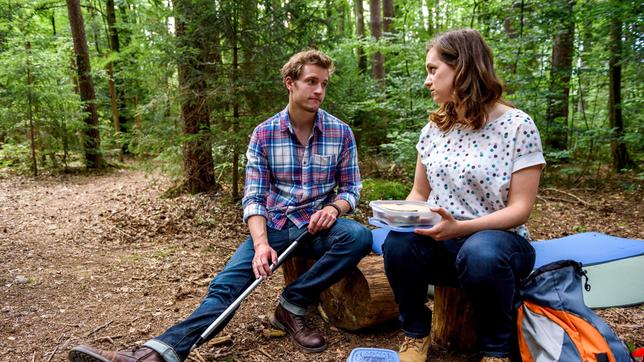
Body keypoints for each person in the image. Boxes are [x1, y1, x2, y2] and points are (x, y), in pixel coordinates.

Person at [68, 50, 373, 362]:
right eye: (311, 82)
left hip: (317, 229)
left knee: (359, 237)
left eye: (324, 83)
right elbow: (254, 197)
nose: (319, 90)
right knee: (226, 288)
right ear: (290, 83)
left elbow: (351, 188)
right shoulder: (264, 134)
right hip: (276, 227)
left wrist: (334, 209)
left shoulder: (341, 133)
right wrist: (260, 244)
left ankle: (291, 306)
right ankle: (155, 353)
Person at [382, 29, 545, 362]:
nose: (427, 81)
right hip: (445, 241)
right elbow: (419, 192)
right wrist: (399, 215)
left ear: (463, 68)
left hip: (501, 245)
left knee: (480, 253)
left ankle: (496, 349)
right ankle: (415, 333)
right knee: (396, 244)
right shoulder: (433, 129)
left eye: (433, 70)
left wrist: (461, 228)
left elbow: (520, 209)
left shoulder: (517, 126)